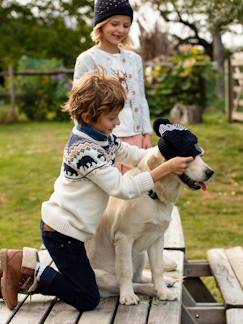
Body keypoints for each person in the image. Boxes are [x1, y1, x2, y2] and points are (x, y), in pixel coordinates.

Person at [0, 69, 193, 312]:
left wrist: (163, 153)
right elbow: (121, 187)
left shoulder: (102, 138)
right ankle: (27, 267)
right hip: (61, 233)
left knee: (83, 285)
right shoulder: (83, 151)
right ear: (87, 115)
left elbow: (135, 155)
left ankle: (8, 275)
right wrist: (163, 170)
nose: (118, 123)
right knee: (87, 297)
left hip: (72, 233)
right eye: (112, 118)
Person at [73, 0, 152, 173]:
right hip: (103, 137)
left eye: (126, 25)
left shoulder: (134, 60)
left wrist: (147, 133)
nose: (120, 30)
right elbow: (79, 105)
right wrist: (86, 138)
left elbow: (141, 98)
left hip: (135, 136)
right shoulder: (87, 59)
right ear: (101, 24)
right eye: (114, 24)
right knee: (109, 192)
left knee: (135, 188)